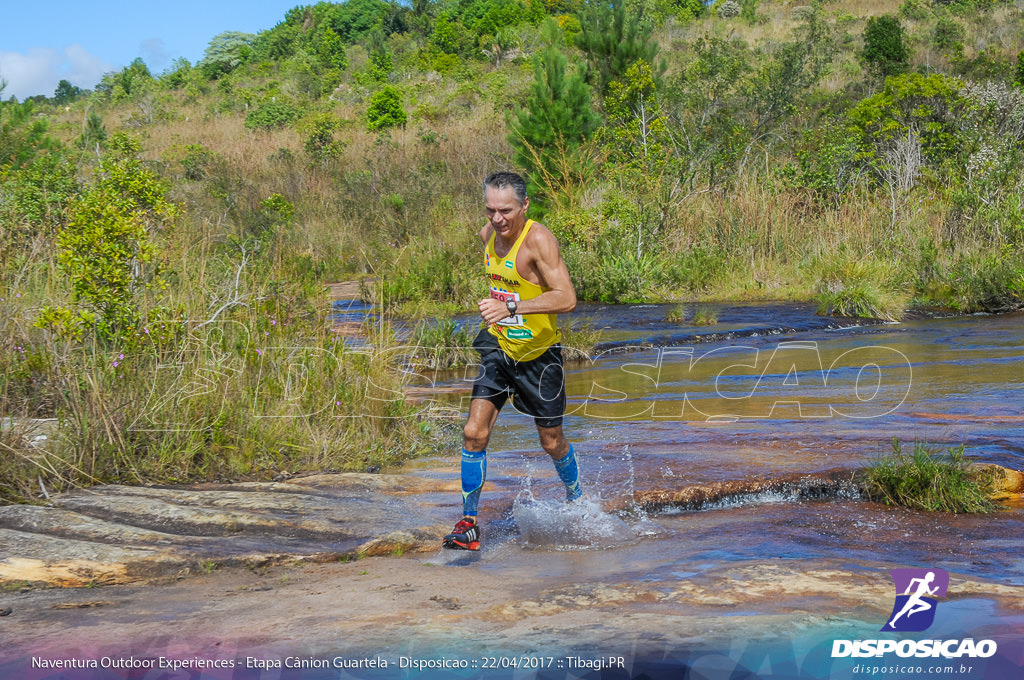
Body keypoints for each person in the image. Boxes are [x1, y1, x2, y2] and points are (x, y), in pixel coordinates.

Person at [442, 171, 582, 551]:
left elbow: (567, 298)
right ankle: (468, 523)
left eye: (505, 210)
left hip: (540, 357)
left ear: (524, 206)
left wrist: (512, 306)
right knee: (474, 431)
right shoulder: (487, 236)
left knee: (551, 441)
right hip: (499, 348)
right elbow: (502, 283)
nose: (497, 219)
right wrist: (499, 310)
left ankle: (577, 500)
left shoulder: (538, 239)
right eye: (490, 210)